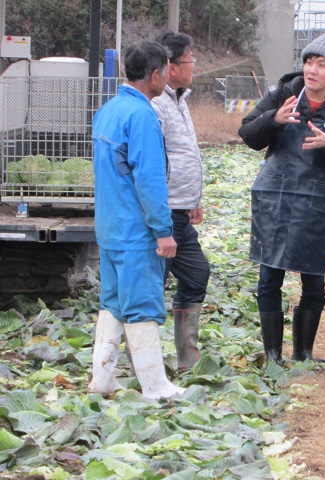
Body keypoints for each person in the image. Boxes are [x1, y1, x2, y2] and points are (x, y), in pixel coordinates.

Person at [238, 33, 325, 364]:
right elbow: (247, 132)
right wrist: (274, 119)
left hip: (316, 202)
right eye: (309, 62)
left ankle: (303, 355)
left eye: (321, 65)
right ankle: (272, 355)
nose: (312, 70)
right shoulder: (284, 94)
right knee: (269, 278)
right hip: (276, 199)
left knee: (313, 280)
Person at [88, 40, 185, 400]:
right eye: (166, 70)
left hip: (110, 229)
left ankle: (102, 379)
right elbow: (149, 178)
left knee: (112, 304)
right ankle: (155, 386)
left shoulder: (108, 110)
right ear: (156, 74)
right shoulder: (142, 114)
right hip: (135, 231)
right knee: (142, 306)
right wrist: (163, 231)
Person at [152, 30, 211, 373]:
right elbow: (156, 162)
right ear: (171, 67)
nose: (194, 66)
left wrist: (194, 198)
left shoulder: (180, 98)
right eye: (190, 60)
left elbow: (184, 153)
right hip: (164, 212)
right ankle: (142, 363)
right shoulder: (157, 103)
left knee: (196, 273)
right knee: (151, 285)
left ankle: (187, 359)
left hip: (181, 211)